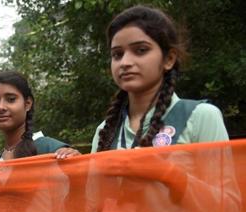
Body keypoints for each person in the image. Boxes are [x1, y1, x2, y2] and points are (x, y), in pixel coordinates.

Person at [92, 5, 228, 152]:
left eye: (141, 50)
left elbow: (223, 175)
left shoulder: (201, 117)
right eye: (117, 54)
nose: (125, 62)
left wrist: (165, 172)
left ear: (169, 59)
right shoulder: (105, 132)